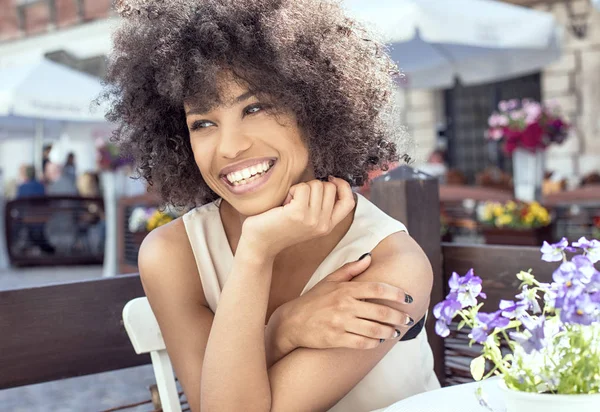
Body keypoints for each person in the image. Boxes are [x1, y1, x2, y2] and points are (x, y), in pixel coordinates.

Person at [105, 1, 439, 411]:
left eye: (255, 107)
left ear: (314, 107)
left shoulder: (391, 262)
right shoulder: (174, 255)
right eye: (203, 123)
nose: (229, 147)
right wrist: (276, 311)